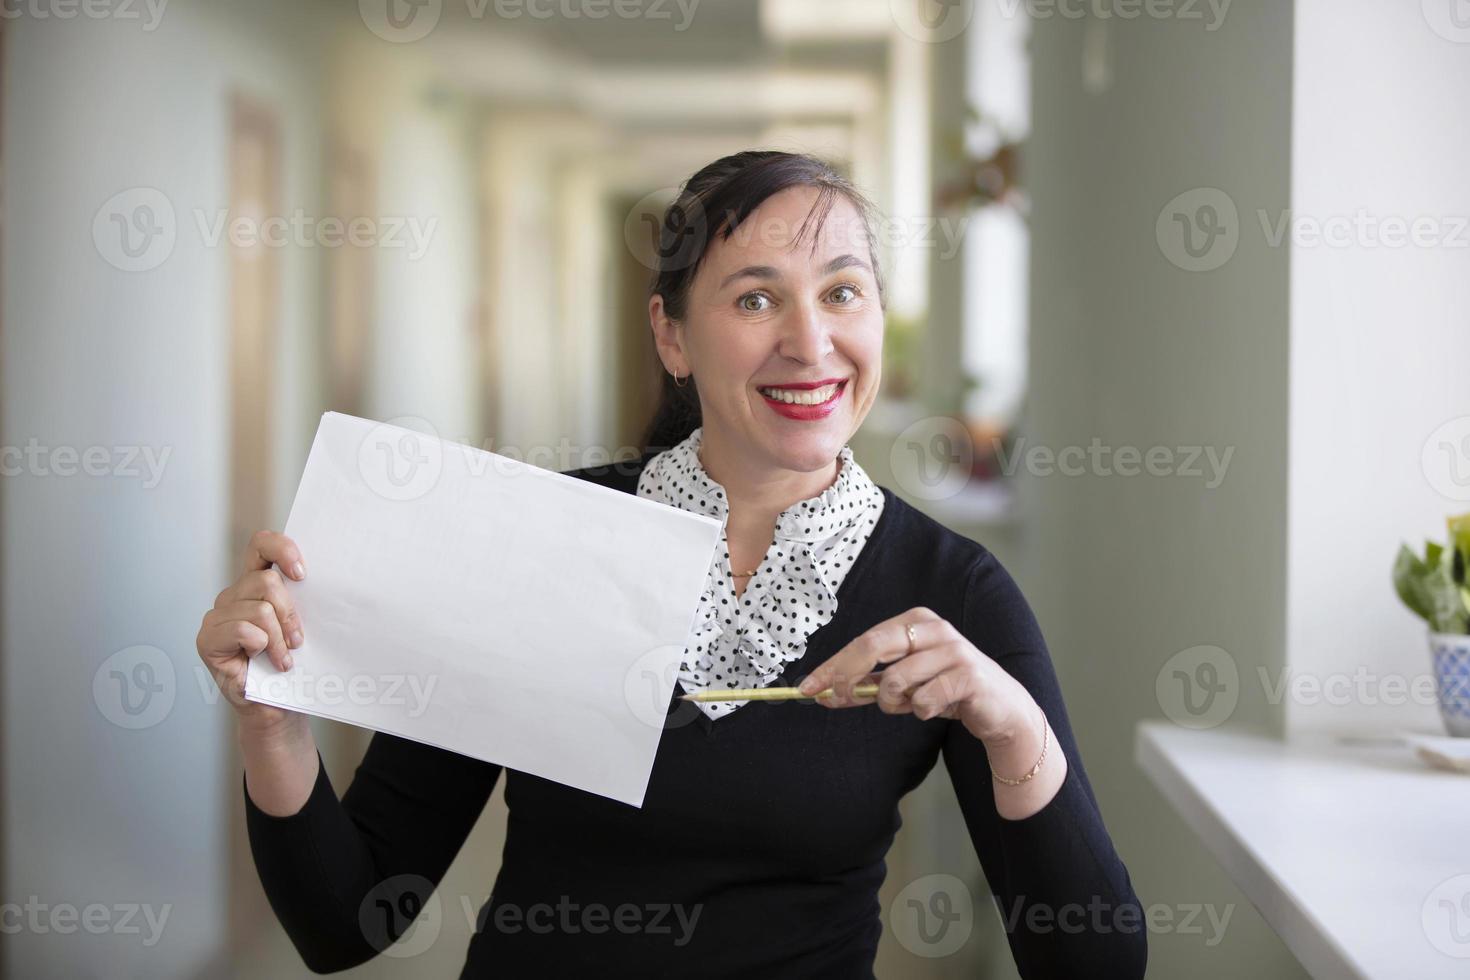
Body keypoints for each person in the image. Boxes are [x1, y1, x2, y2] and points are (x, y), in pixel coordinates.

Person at [195, 150, 1147, 978]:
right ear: (672, 336)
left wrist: (1013, 728)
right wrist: (272, 729)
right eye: (756, 297)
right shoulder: (541, 539)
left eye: (842, 291)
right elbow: (345, 921)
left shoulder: (951, 593)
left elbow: (1094, 962)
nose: (810, 342)